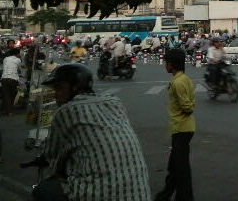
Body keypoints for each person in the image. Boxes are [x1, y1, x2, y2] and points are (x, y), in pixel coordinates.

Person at [34, 64, 151, 200]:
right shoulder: (114, 102)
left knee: (43, 190)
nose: (56, 94)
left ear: (75, 87)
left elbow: (52, 154)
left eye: (59, 88)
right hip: (139, 194)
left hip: (98, 194)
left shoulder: (66, 111)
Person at [154, 49, 195, 201]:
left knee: (181, 169)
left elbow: (187, 106)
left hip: (181, 129)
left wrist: (187, 109)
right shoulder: (185, 79)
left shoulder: (177, 83)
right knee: (174, 166)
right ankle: (164, 195)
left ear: (171, 64)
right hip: (183, 128)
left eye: (166, 62)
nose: (165, 65)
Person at [1, 48, 21, 115]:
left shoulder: (5, 59)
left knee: (6, 95)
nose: (19, 54)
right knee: (12, 94)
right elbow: (18, 69)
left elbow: (4, 67)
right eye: (19, 53)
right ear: (17, 54)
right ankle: (9, 111)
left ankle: (6, 110)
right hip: (13, 79)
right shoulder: (18, 60)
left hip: (4, 78)